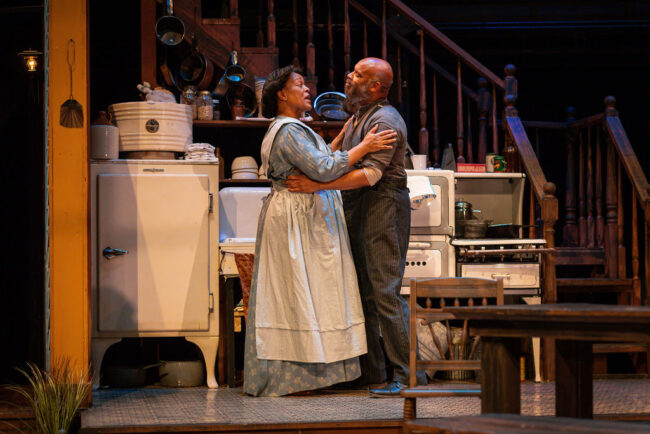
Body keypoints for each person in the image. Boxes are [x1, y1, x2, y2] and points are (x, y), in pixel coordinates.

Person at [243, 65, 398, 397]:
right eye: (299, 84)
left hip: (303, 217)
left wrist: (342, 138)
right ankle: (301, 374)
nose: (307, 88)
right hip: (299, 220)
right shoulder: (289, 131)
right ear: (281, 94)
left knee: (313, 293)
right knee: (300, 293)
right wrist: (364, 146)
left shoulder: (292, 128)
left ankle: (346, 370)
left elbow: (321, 157)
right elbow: (325, 168)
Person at [285, 57, 427, 396]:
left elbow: (372, 174)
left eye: (358, 74)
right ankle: (372, 370)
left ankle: (409, 375)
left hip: (382, 204)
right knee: (363, 291)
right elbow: (336, 155)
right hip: (361, 205)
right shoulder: (359, 117)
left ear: (376, 86)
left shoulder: (385, 119)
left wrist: (316, 186)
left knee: (385, 292)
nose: (349, 76)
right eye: (352, 71)